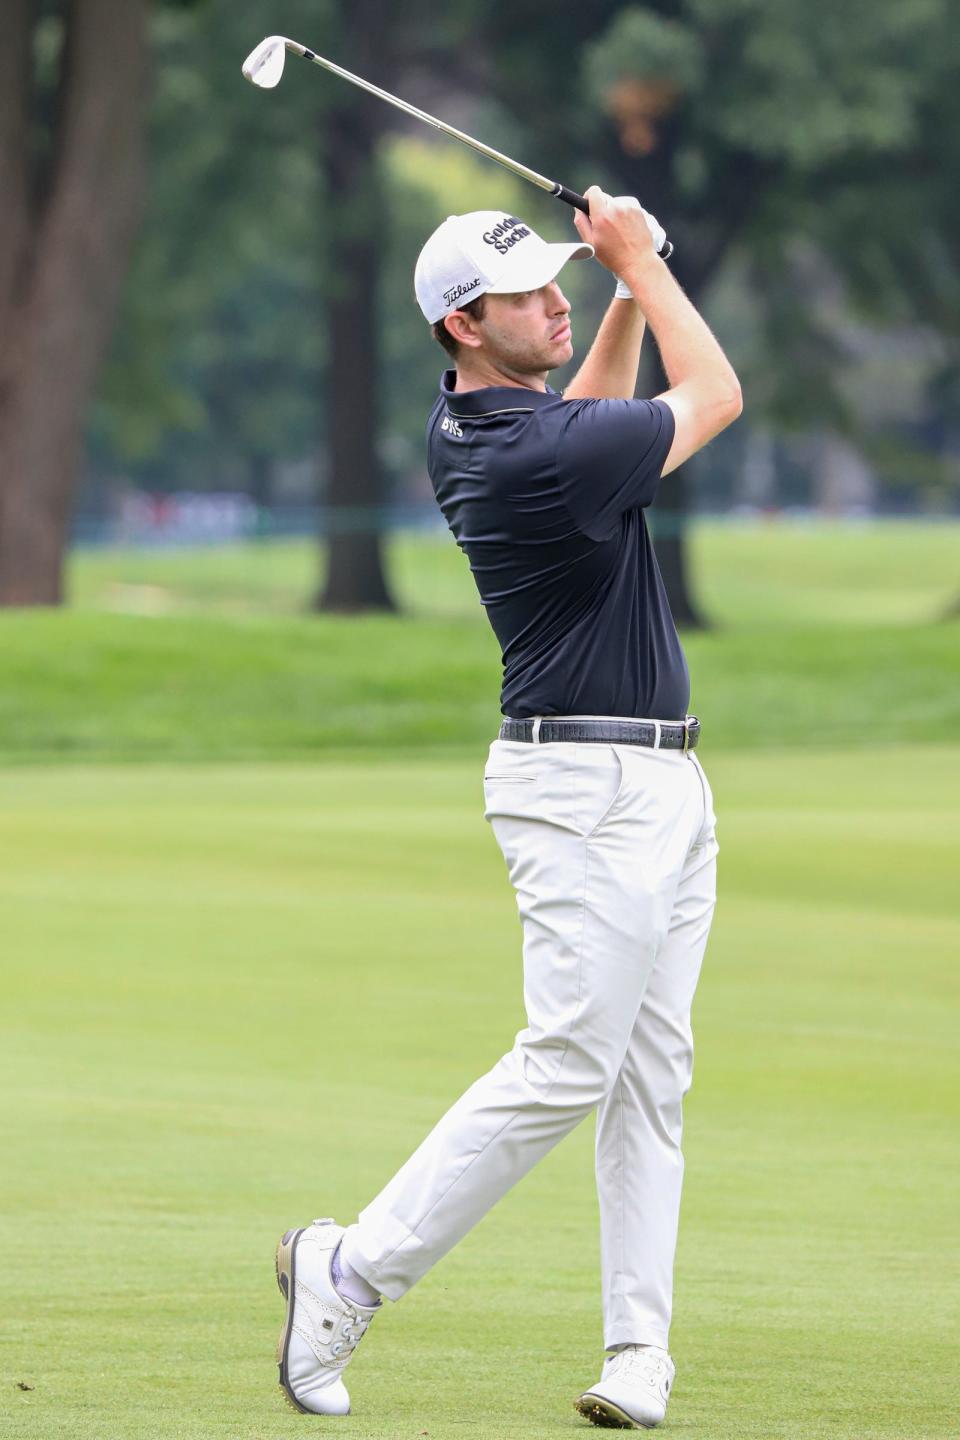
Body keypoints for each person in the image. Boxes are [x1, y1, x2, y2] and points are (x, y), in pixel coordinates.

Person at [274, 187, 742, 1429]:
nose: (555, 297)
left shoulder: (491, 431)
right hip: (588, 787)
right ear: (464, 328)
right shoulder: (542, 458)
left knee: (651, 1075)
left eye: (559, 278)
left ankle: (638, 1352)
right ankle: (353, 1267)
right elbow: (717, 396)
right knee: (571, 1059)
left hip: (655, 780)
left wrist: (614, 279)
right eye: (528, 291)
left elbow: (590, 405)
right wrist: (640, 267)